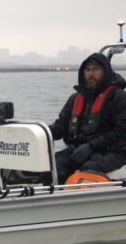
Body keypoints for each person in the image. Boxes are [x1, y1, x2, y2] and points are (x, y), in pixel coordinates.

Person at [48, 53, 126, 183]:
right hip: (78, 150)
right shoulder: (75, 99)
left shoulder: (119, 98)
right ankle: (46, 197)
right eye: (88, 69)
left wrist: (91, 146)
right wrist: (40, 134)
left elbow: (121, 133)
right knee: (53, 165)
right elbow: (60, 127)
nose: (91, 74)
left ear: (106, 72)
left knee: (88, 170)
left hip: (114, 152)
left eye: (96, 69)